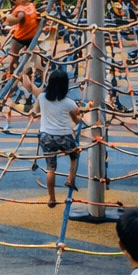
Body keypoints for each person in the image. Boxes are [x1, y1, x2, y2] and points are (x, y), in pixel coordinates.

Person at [36, 68, 81, 208]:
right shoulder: (69, 103)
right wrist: (83, 112)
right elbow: (77, 120)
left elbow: (36, 111)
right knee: (74, 155)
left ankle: (51, 198)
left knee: (50, 168)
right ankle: (70, 178)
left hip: (46, 136)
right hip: (63, 136)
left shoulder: (41, 98)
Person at [1, 0, 40, 77]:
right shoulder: (19, 10)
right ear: (15, 1)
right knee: (14, 57)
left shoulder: (31, 5)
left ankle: (35, 72)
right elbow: (16, 19)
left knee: (37, 55)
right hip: (19, 38)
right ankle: (10, 72)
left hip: (31, 38)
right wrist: (9, 19)